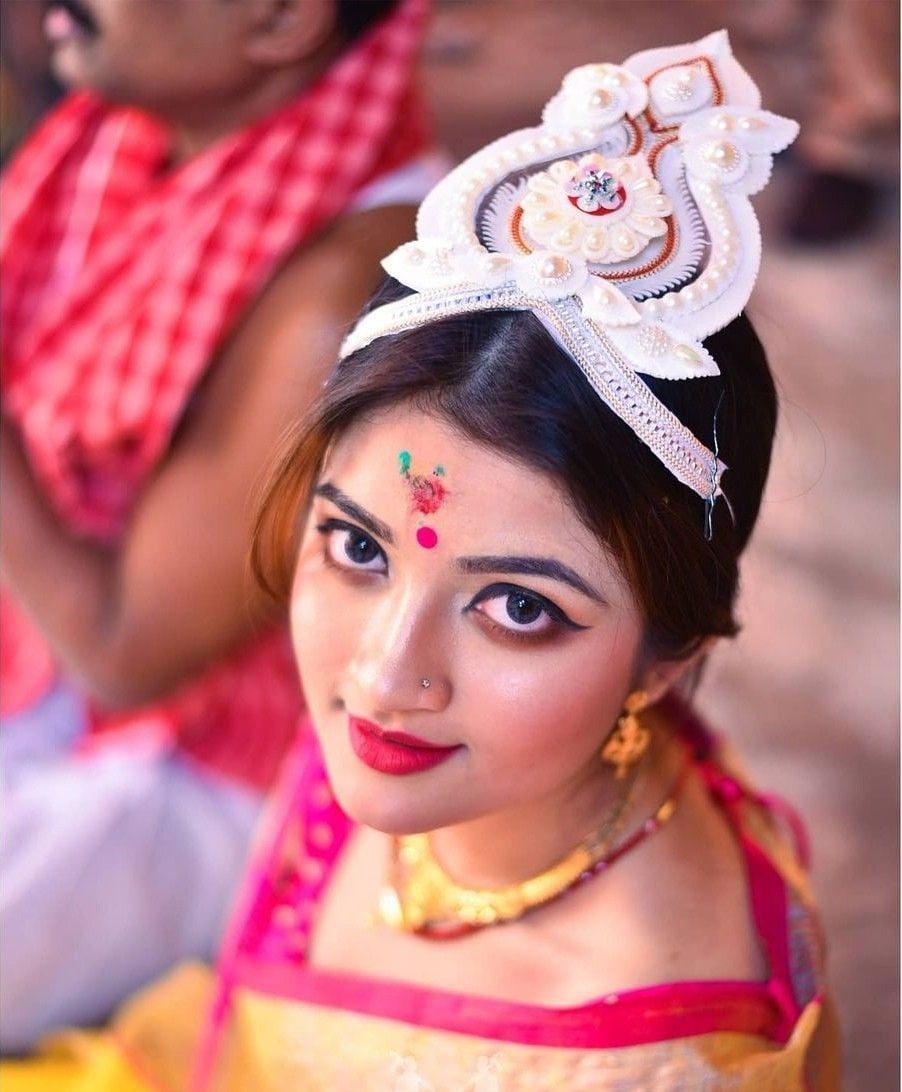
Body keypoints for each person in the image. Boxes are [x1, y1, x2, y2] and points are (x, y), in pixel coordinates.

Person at [3, 31, 841, 1090]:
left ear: (663, 660)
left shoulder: (650, 1054)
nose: (384, 675)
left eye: (518, 610)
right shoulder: (393, 754)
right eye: (356, 546)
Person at [0, 0, 442, 1051]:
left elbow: (123, 654)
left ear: (283, 21)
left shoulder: (341, 287)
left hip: (199, 777)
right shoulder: (128, 141)